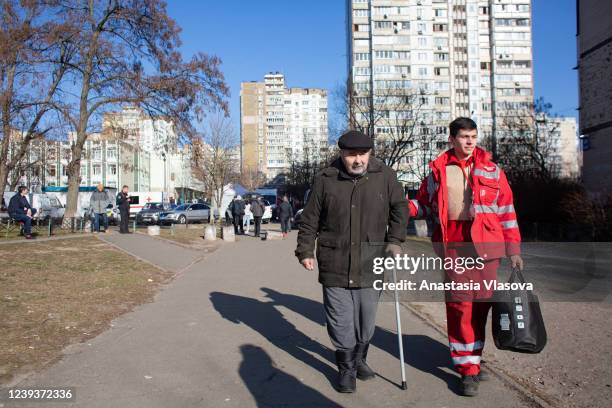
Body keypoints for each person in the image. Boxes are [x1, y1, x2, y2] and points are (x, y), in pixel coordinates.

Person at [409, 117, 523, 397]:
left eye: (473, 136)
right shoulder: (437, 172)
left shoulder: (493, 171)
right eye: (464, 137)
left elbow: (506, 212)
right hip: (455, 246)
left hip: (487, 247)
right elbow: (423, 205)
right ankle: (467, 370)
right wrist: (398, 207)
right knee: (460, 306)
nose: (470, 141)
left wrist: (514, 250)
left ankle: (474, 357)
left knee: (482, 306)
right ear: (452, 139)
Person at [295, 130, 408, 393]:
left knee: (366, 320)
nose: (357, 160)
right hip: (335, 259)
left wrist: (396, 240)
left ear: (370, 153)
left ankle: (360, 359)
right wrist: (305, 251)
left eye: (363, 154)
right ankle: (346, 369)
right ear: (341, 154)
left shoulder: (386, 176)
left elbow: (400, 209)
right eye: (351, 155)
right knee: (340, 320)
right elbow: (310, 219)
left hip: (372, 259)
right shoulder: (325, 179)